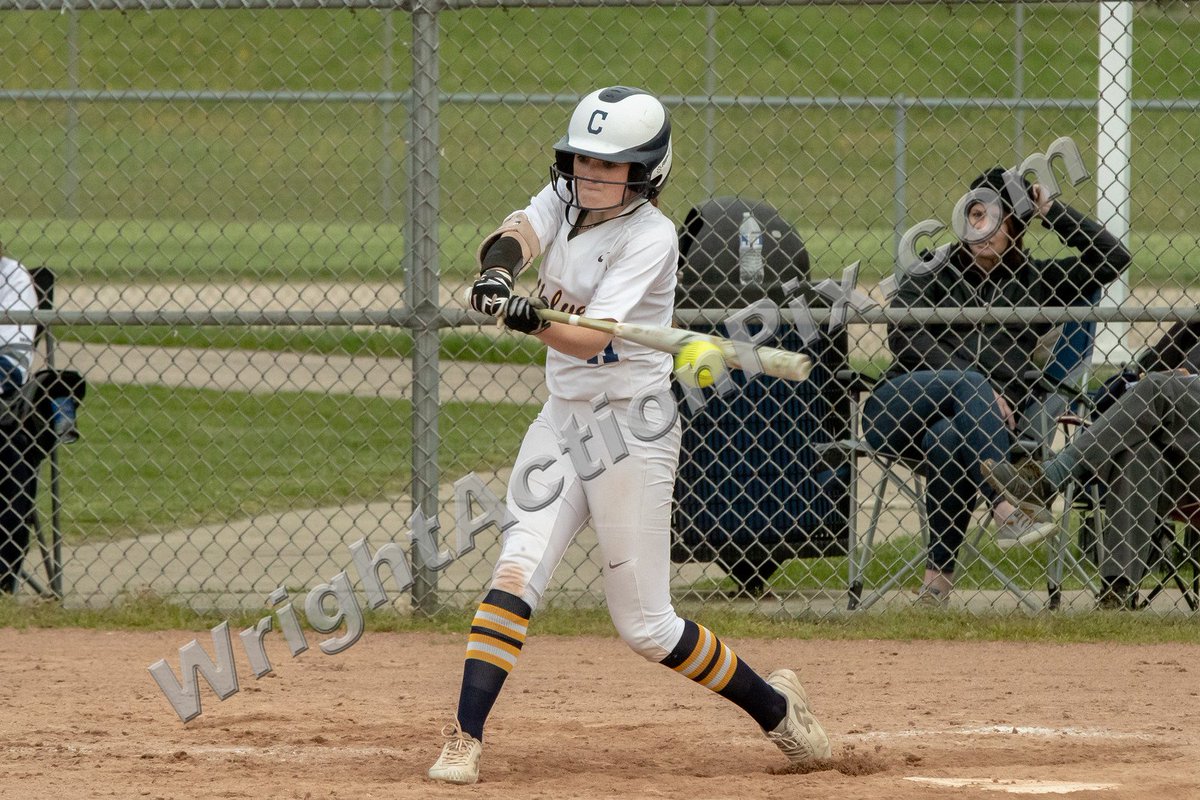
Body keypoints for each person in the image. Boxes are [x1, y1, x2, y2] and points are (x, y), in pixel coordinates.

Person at [427, 86, 831, 785]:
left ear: (647, 173)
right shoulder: (567, 200)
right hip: (562, 422)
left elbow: (586, 339)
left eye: (609, 166)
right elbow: (518, 230)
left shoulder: (651, 237)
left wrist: (525, 318)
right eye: (583, 161)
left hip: (632, 433)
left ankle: (776, 709)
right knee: (517, 568)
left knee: (646, 626)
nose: (591, 175)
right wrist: (498, 272)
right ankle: (464, 736)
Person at [862, 167, 1129, 606]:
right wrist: (981, 388)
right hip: (900, 408)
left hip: (972, 433)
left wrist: (1051, 210)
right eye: (975, 213)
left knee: (948, 439)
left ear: (1016, 226)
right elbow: (903, 335)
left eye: (995, 217)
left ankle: (935, 585)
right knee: (969, 385)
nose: (981, 226)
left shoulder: (1037, 284)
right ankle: (1006, 505)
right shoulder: (932, 267)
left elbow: (1112, 259)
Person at [984, 370, 1200, 610]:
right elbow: (1139, 370)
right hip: (1178, 452)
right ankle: (1117, 590)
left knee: (1158, 387)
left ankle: (1051, 477)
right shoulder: (1186, 333)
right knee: (1138, 454)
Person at [0, 246, 40, 594]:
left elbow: (12, 367)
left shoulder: (10, 275)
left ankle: (2, 580)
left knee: (15, 453)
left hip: (4, 407)